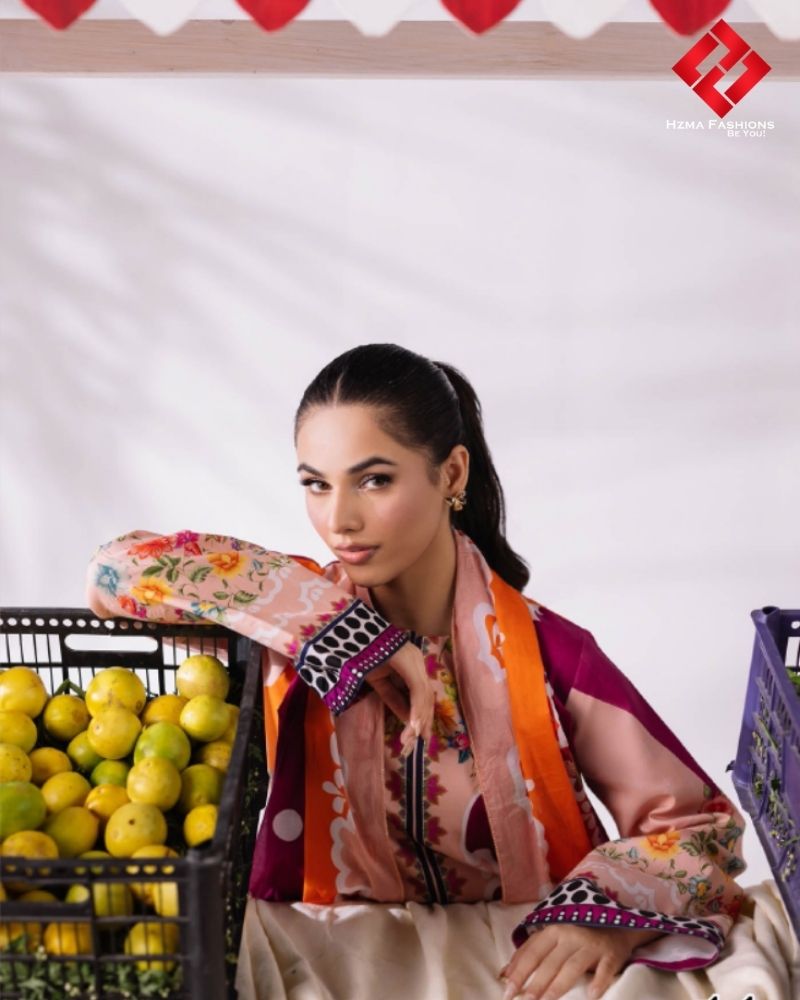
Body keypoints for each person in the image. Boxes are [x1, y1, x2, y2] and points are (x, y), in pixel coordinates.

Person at [85, 344, 748, 1000]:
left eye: (374, 480)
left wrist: (604, 920)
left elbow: (703, 830)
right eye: (316, 484)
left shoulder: (551, 653)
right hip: (325, 963)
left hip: (518, 971)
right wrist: (343, 629)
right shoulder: (282, 626)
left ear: (452, 474)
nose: (338, 520)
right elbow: (114, 572)